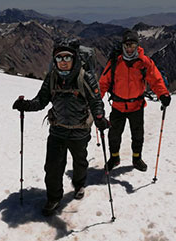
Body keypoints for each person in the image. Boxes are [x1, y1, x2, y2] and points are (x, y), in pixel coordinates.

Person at [13, 38, 109, 216]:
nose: (63, 62)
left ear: (74, 59)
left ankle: (79, 184)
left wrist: (100, 118)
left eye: (67, 58)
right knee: (52, 167)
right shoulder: (52, 78)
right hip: (57, 130)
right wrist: (25, 105)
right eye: (59, 58)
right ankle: (53, 197)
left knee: (80, 162)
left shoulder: (85, 77)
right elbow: (41, 101)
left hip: (79, 130)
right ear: (54, 61)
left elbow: (95, 102)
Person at [99, 29, 171, 172]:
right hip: (118, 105)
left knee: (137, 135)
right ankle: (114, 158)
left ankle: (137, 158)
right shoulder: (115, 61)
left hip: (136, 106)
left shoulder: (144, 62)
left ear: (137, 45)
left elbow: (156, 80)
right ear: (123, 46)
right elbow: (103, 83)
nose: (129, 49)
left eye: (132, 45)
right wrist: (96, 101)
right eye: (127, 45)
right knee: (114, 135)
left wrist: (163, 94)